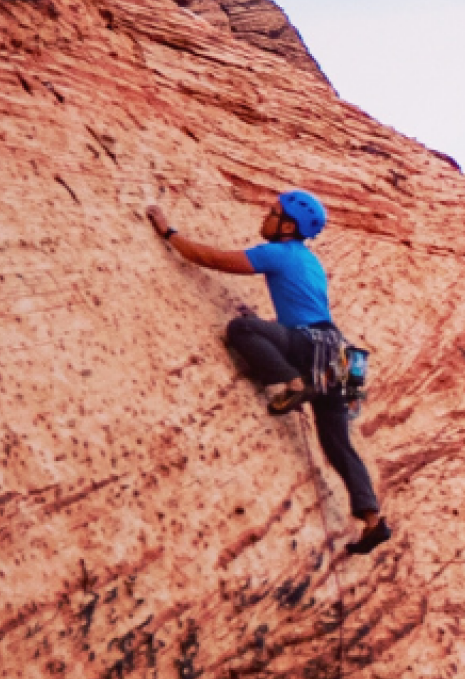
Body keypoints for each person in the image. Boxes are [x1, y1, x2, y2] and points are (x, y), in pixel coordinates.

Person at [147, 191, 392, 555]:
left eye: (273, 212)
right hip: (338, 356)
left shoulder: (278, 253)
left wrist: (169, 234)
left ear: (288, 226)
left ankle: (293, 382)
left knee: (241, 329)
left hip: (309, 347)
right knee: (338, 445)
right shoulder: (311, 262)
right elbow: (303, 311)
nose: (266, 216)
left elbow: (212, 259)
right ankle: (372, 519)